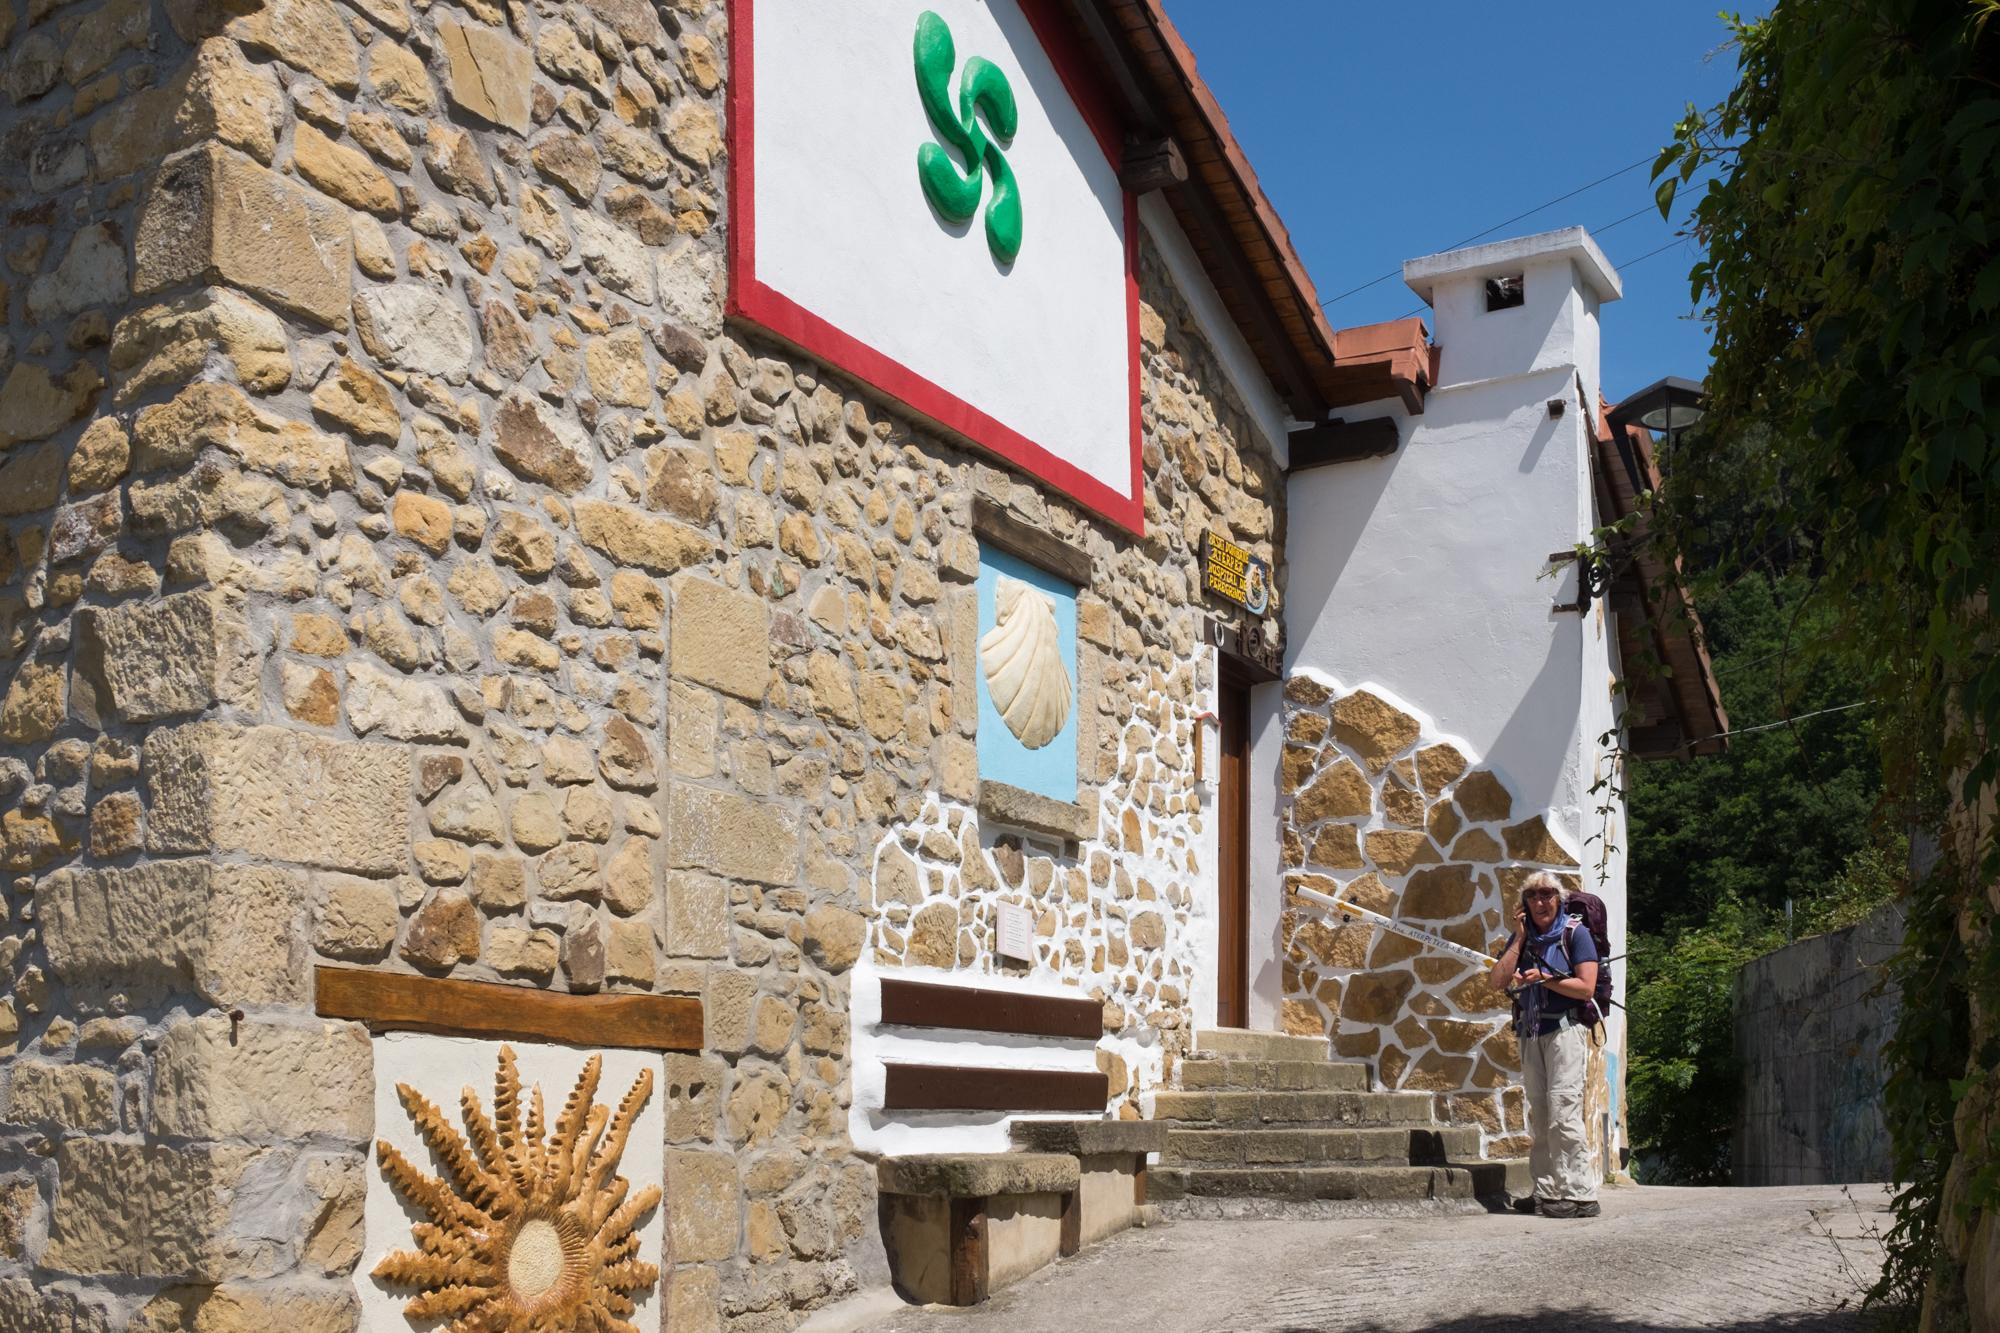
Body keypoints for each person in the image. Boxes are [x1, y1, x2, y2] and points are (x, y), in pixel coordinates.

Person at [1486, 870, 1600, 1218]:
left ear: (1559, 899)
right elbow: (1496, 980)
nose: (1540, 902)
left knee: (1564, 1113)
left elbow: (1586, 988)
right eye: (1533, 896)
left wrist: (1546, 980)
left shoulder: (1575, 934)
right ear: (1524, 905)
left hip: (1565, 1032)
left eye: (1548, 894)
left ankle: (1580, 1195)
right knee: (1541, 1114)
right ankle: (1547, 1191)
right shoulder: (1524, 939)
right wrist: (1519, 938)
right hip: (1532, 1032)